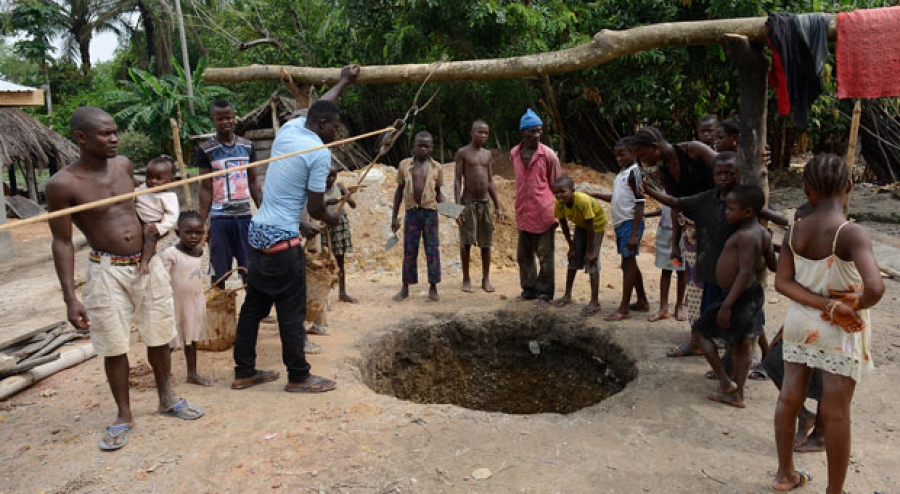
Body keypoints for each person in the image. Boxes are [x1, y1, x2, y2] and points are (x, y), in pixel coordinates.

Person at [46, 106, 205, 452]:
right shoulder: (63, 184)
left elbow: (146, 201)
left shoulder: (124, 167)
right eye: (106, 133)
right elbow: (61, 241)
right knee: (113, 343)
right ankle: (123, 414)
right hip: (106, 270)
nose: (114, 138)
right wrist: (70, 297)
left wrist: (159, 226)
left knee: (159, 333)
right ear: (81, 138)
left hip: (147, 264)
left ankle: (167, 398)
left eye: (115, 131)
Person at [231, 64, 359, 394]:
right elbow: (317, 207)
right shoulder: (318, 152)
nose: (337, 132)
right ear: (320, 125)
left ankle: (244, 371)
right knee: (291, 310)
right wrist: (328, 218)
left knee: (254, 307)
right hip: (281, 241)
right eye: (334, 126)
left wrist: (344, 81)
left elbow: (320, 105)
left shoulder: (290, 128)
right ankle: (299, 376)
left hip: (258, 232)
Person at [771, 154, 884, 494]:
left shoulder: (796, 230)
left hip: (800, 324)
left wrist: (824, 305)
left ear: (806, 190)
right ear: (849, 186)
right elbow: (876, 287)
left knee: (789, 398)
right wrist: (849, 304)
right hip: (840, 333)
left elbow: (782, 283)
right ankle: (834, 491)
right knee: (836, 413)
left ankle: (784, 474)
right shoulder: (850, 233)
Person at [644, 152, 788, 363]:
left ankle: (756, 360)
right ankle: (719, 360)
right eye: (718, 173)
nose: (723, 178)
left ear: (739, 175)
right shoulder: (706, 199)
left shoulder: (746, 200)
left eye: (729, 173)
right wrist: (648, 190)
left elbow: (779, 218)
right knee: (714, 320)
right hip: (713, 272)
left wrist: (765, 217)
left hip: (740, 277)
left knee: (750, 322)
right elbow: (675, 201)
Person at [631, 126, 716, 357]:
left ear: (655, 148)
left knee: (715, 284)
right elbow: (676, 205)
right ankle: (697, 339)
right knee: (695, 287)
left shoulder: (694, 151)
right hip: (691, 233)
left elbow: (728, 171)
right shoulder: (663, 172)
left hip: (716, 229)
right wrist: (675, 243)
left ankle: (714, 339)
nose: (643, 160)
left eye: (643, 154)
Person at [691, 185, 771, 408]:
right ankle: (738, 394)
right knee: (745, 344)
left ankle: (726, 382)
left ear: (747, 212)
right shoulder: (763, 233)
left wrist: (726, 305)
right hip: (753, 295)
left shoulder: (745, 236)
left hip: (738, 296)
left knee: (701, 331)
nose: (726, 212)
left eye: (730, 208)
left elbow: (745, 272)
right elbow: (772, 264)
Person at [198, 99, 262, 288]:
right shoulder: (206, 150)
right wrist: (202, 221)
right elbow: (205, 187)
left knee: (249, 267)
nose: (225, 122)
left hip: (244, 217)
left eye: (229, 117)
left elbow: (253, 181)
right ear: (213, 120)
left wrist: (265, 211)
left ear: (234, 118)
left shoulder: (247, 146)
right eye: (220, 119)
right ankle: (221, 315)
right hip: (219, 219)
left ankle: (255, 312)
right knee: (220, 270)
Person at [590, 137, 649, 321]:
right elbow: (618, 198)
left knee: (628, 263)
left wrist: (634, 233)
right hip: (622, 223)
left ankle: (624, 308)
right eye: (616, 156)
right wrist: (598, 195)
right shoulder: (622, 174)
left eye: (622, 155)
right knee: (629, 262)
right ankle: (641, 300)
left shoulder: (635, 173)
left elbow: (640, 204)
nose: (618, 159)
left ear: (634, 153)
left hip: (630, 223)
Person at [511, 108, 561, 306]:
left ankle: (545, 293)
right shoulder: (514, 153)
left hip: (544, 212)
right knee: (524, 255)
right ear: (523, 132)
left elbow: (557, 185)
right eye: (532, 131)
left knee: (545, 256)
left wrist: (558, 215)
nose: (536, 135)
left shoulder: (548, 155)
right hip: (523, 212)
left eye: (539, 131)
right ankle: (529, 289)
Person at [391, 131, 445, 302]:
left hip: (430, 213)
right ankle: (405, 287)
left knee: (432, 250)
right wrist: (394, 217)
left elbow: (439, 194)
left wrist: (454, 212)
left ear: (432, 148)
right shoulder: (404, 165)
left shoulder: (437, 168)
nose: (423, 149)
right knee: (409, 250)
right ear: (414, 146)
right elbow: (399, 192)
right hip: (412, 212)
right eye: (419, 145)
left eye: (426, 146)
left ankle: (433, 287)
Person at [159, 210, 211, 386]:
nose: (194, 237)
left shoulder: (200, 252)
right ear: (177, 233)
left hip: (194, 302)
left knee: (191, 339)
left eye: (198, 232)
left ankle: (192, 373)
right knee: (169, 342)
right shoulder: (170, 254)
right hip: (174, 304)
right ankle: (164, 378)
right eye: (188, 232)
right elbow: (161, 279)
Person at [454, 120, 503, 293]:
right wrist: (457, 206)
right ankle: (466, 279)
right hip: (468, 202)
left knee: (486, 243)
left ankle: (486, 278)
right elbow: (457, 181)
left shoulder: (487, 154)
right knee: (466, 242)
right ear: (472, 132)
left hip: (485, 202)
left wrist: (498, 205)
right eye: (480, 132)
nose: (483, 135)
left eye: (486, 133)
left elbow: (490, 181)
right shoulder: (463, 153)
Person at [551, 176, 606, 316]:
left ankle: (595, 301)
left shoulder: (582, 201)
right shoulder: (559, 203)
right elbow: (563, 224)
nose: (558, 195)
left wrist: (591, 251)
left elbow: (591, 225)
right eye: (555, 192)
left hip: (596, 226)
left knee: (591, 261)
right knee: (573, 258)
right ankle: (567, 295)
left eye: (562, 192)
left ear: (572, 191)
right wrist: (572, 247)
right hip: (581, 225)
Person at [134, 155, 179, 275]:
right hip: (140, 217)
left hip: (155, 222)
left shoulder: (169, 196)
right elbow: (134, 194)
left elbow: (172, 217)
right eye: (149, 177)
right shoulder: (143, 188)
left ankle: (145, 262)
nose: (153, 181)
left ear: (171, 181)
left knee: (149, 236)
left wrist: (160, 227)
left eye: (159, 179)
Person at [321, 163, 358, 303]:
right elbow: (314, 208)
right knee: (324, 261)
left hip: (339, 225)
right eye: (327, 176)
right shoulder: (318, 191)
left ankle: (342, 292)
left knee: (340, 260)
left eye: (333, 176)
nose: (330, 179)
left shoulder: (340, 187)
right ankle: (323, 297)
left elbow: (353, 205)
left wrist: (347, 198)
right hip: (325, 226)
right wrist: (327, 204)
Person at [649, 201, 686, 322]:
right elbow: (666, 208)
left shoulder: (684, 188)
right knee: (666, 270)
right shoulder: (666, 187)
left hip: (681, 232)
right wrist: (650, 214)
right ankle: (663, 308)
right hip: (665, 232)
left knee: (681, 270)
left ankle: (679, 306)